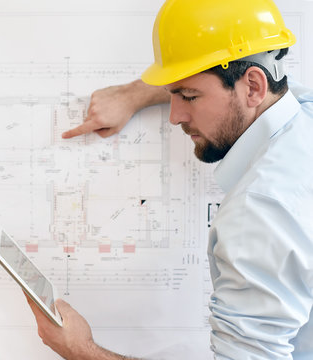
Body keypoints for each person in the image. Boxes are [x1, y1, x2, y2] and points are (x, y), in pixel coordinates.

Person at [24, 0, 313, 358]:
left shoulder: (258, 214)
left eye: (189, 96)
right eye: (174, 92)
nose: (175, 116)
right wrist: (135, 94)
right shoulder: (301, 112)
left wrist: (81, 350)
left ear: (253, 87)